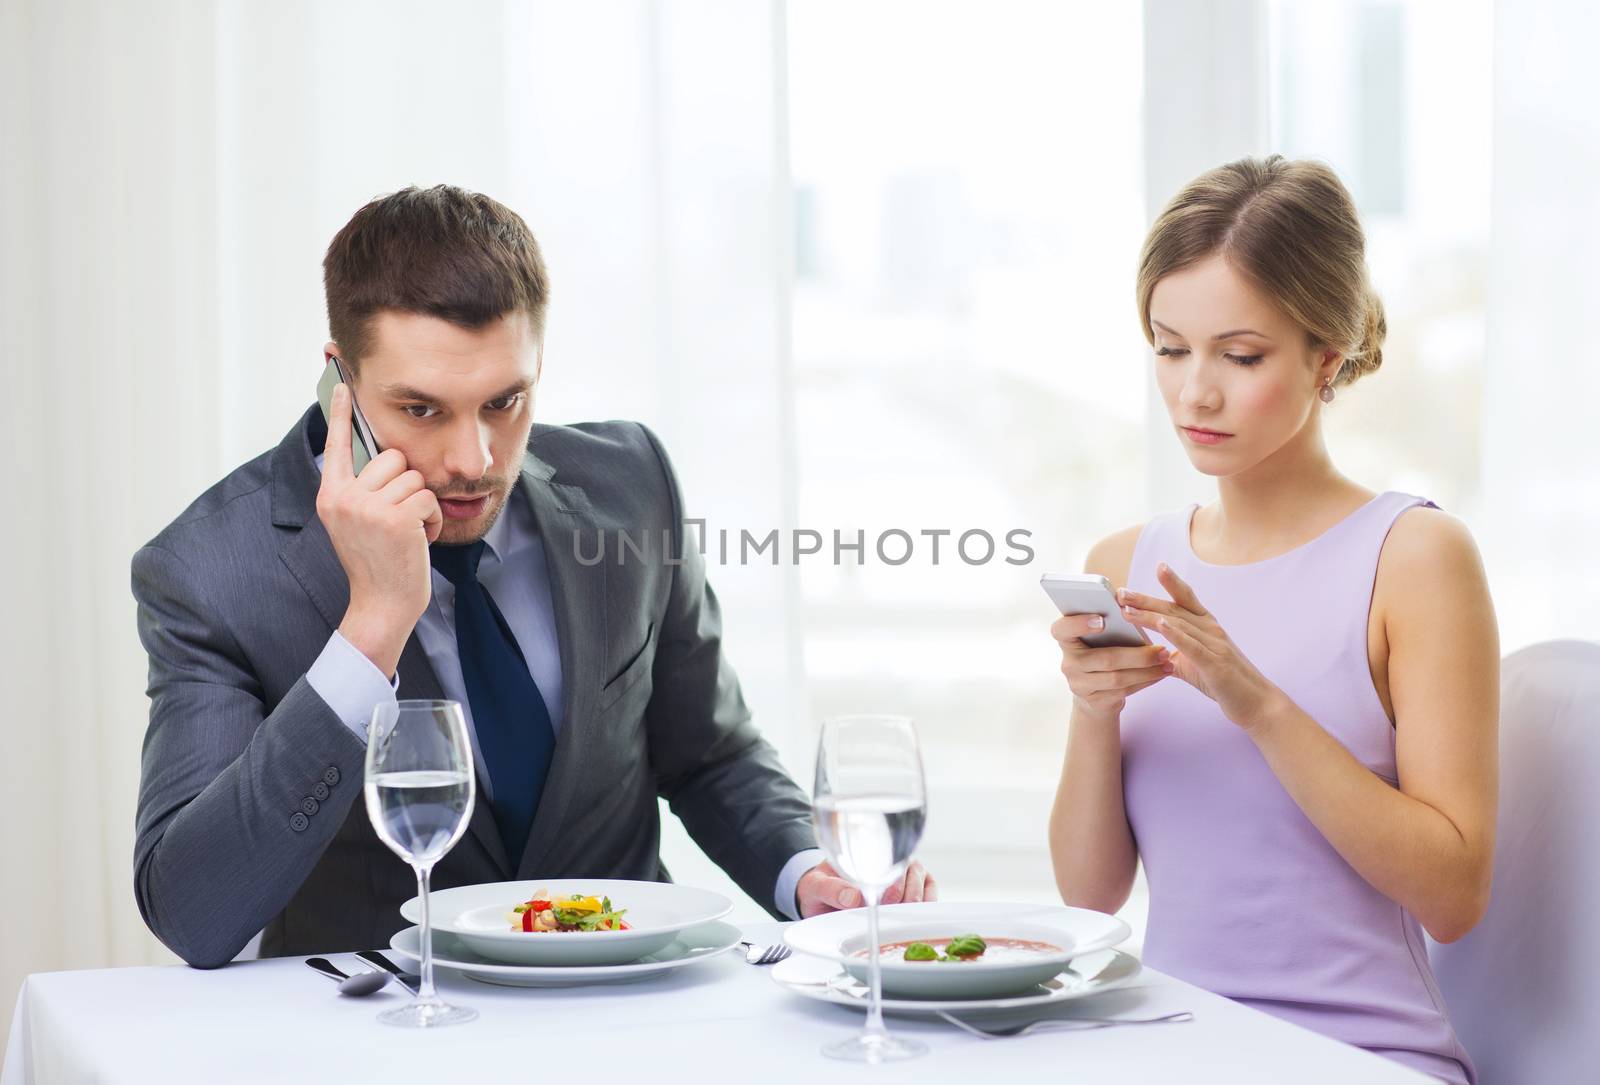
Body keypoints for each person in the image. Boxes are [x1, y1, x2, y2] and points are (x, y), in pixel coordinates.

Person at [132, 185, 932, 968]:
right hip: (386, 1042)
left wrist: (806, 875)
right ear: (341, 383)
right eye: (421, 409)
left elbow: (708, 755)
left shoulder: (632, 486)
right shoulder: (210, 570)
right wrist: (371, 628)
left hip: (631, 1014)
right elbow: (195, 914)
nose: (472, 461)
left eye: (504, 401)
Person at [1046, 157, 1495, 1085]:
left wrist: (1259, 704)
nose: (1194, 393)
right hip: (1165, 1047)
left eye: (1239, 355)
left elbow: (1453, 895)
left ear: (1326, 357)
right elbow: (1090, 899)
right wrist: (1095, 713)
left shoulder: (1414, 558)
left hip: (1361, 1058)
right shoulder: (1122, 563)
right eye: (1170, 347)